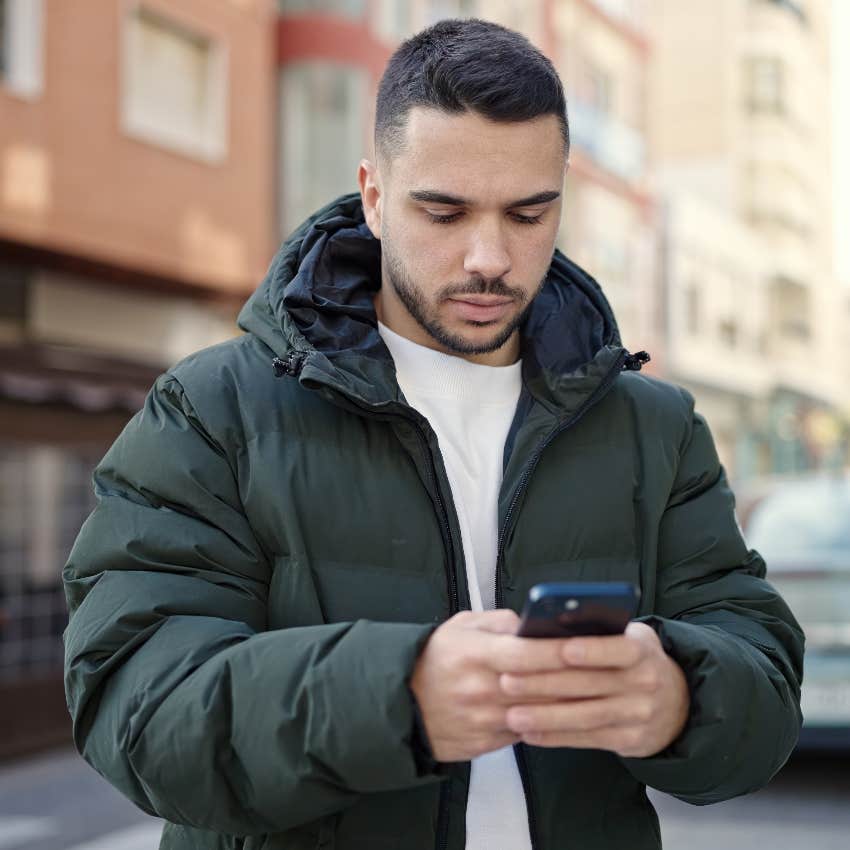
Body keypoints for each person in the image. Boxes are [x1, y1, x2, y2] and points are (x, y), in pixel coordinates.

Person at [63, 18, 804, 850]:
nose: (489, 256)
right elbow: (134, 707)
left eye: (529, 214)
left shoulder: (655, 427)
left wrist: (681, 697)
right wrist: (397, 698)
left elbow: (766, 688)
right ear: (374, 197)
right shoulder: (211, 410)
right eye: (444, 212)